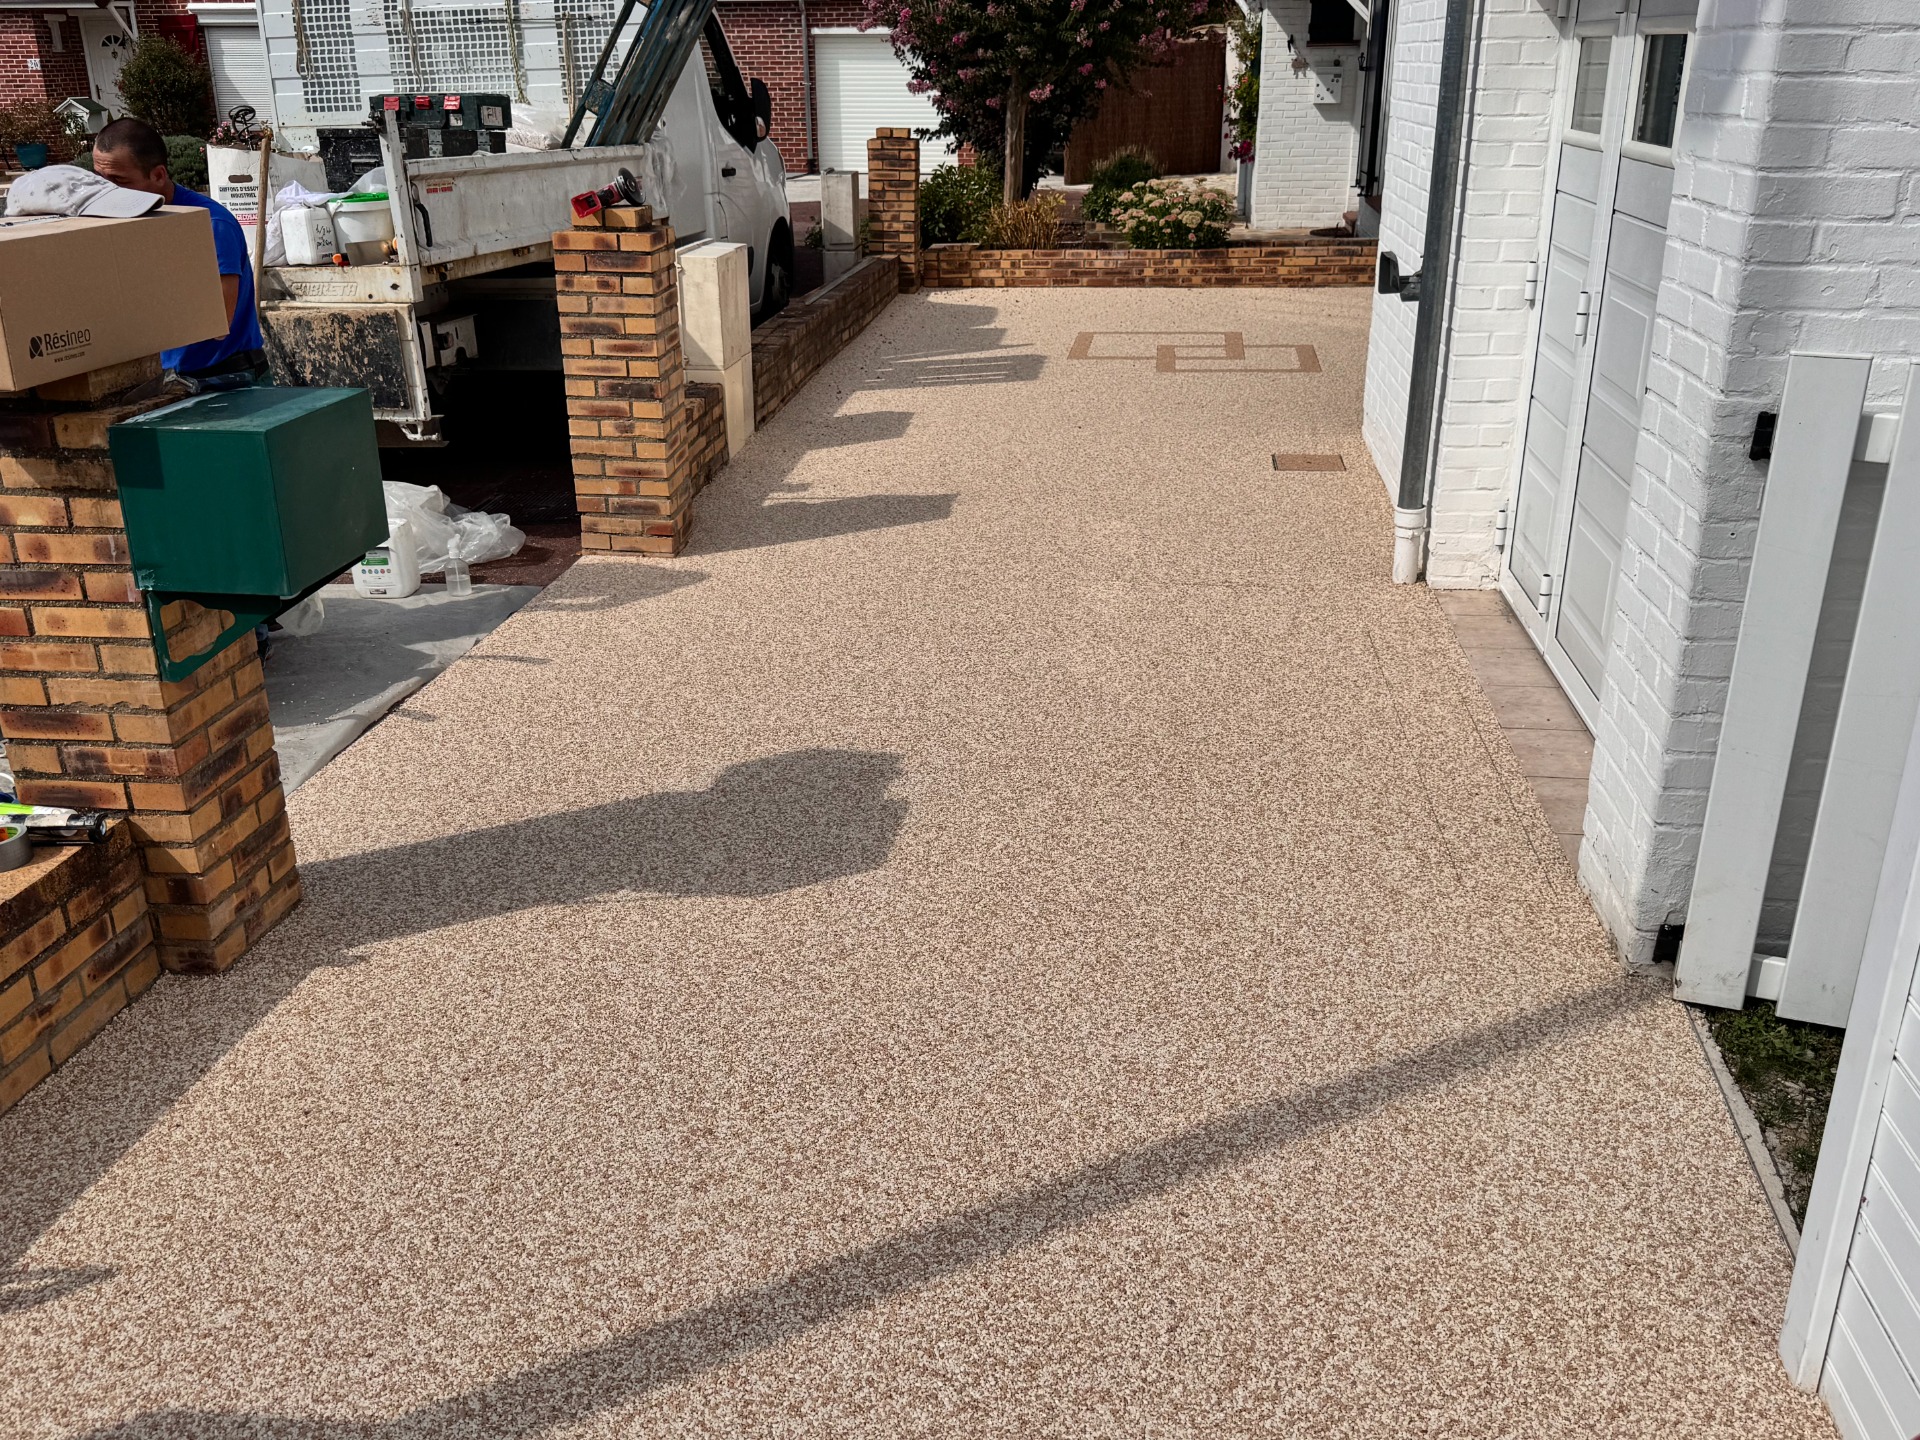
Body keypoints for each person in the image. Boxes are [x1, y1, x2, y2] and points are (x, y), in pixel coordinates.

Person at [90, 117, 266, 384]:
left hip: (228, 380)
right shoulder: (122, 224)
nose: (106, 190)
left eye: (119, 180)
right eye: (99, 178)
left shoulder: (211, 225)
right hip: (170, 379)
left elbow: (218, 322)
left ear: (158, 175)